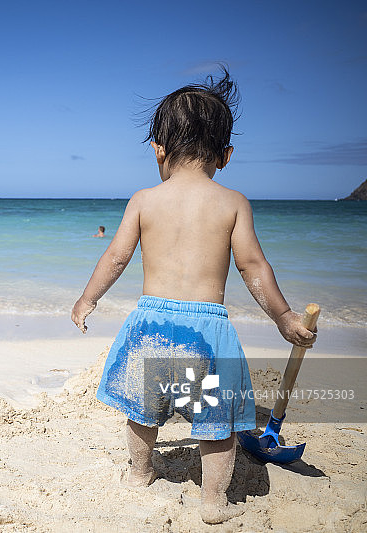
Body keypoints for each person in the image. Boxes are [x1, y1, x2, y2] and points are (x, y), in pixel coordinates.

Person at [70, 67, 316, 525]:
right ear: (225, 155)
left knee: (144, 414)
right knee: (215, 428)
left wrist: (88, 299)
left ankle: (139, 474)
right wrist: (283, 317)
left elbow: (116, 257)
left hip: (151, 326)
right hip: (205, 331)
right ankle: (212, 502)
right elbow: (253, 268)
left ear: (158, 150)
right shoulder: (233, 202)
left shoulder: (144, 199)